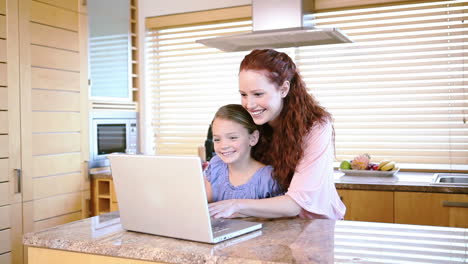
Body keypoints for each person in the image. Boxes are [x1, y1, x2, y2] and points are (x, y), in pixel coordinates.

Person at [208, 49, 346, 220]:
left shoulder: (316, 127)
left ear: (284, 89)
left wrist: (236, 204)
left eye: (258, 94)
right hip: (276, 225)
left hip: (316, 226)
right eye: (243, 94)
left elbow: (296, 204)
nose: (249, 104)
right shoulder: (256, 122)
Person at [204, 104, 282, 203]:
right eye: (217, 139)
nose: (223, 145)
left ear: (252, 138)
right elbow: (205, 204)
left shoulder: (268, 178)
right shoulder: (216, 165)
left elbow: (277, 215)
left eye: (233, 138)